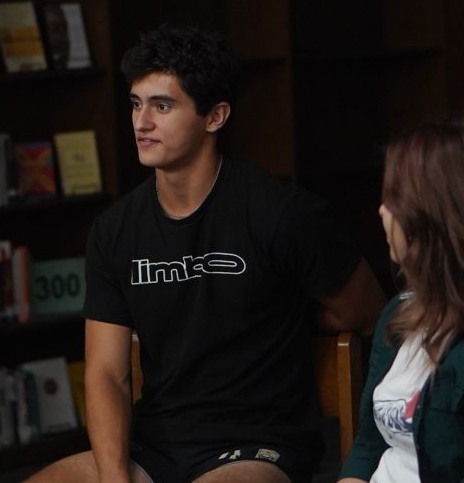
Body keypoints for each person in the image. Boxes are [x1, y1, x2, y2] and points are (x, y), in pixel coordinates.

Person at [28, 25, 382, 483]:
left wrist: (291, 318)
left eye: (162, 105)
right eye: (136, 104)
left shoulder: (281, 213)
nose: (141, 122)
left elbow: (368, 311)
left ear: (215, 117)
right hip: (154, 447)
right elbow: (106, 372)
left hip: (257, 447)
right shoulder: (114, 232)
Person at [338, 118, 464, 483]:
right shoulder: (401, 313)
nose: (382, 211)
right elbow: (368, 449)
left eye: (394, 199)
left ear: (435, 215)